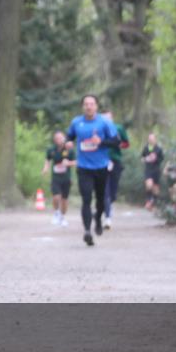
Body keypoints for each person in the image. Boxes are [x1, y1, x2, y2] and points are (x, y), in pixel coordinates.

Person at [66, 95, 121, 246]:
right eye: (86, 104)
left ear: (96, 106)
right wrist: (68, 143)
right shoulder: (77, 122)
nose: (89, 107)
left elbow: (116, 142)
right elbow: (69, 137)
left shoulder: (105, 122)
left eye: (92, 104)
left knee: (101, 200)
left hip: (101, 167)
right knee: (86, 199)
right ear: (83, 107)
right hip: (84, 167)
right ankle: (87, 231)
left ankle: (97, 219)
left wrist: (101, 142)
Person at [101, 109, 129, 228]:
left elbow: (126, 143)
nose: (106, 120)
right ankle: (107, 216)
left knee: (113, 191)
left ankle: (108, 204)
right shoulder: (98, 129)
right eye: (104, 118)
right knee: (104, 190)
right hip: (101, 161)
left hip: (115, 160)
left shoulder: (118, 128)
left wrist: (118, 144)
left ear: (112, 118)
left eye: (108, 117)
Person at [42, 130, 76, 226]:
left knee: (64, 200)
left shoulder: (69, 149)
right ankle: (56, 213)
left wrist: (68, 163)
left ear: (64, 138)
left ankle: (63, 217)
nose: (59, 140)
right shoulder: (51, 150)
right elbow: (47, 160)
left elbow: (76, 162)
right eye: (57, 138)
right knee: (56, 197)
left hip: (66, 178)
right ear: (54, 140)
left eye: (61, 138)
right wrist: (45, 168)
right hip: (56, 178)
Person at [141, 133, 165, 210]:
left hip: (156, 170)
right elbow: (142, 158)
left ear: (155, 139)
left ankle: (154, 203)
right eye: (149, 139)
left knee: (156, 189)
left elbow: (161, 159)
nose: (150, 140)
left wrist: (155, 159)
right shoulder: (146, 148)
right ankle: (148, 200)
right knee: (149, 185)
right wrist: (146, 159)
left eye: (152, 139)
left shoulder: (159, 149)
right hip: (148, 170)